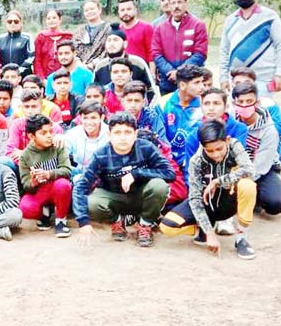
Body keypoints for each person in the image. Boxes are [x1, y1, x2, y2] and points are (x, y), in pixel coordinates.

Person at [73, 112, 175, 248]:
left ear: (135, 134)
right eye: (117, 133)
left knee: (159, 186)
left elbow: (169, 173)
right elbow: (81, 186)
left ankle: (145, 224)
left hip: (141, 197)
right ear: (109, 135)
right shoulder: (100, 155)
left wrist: (136, 173)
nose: (123, 138)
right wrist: (83, 222)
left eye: (127, 132)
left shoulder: (146, 147)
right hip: (114, 198)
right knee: (91, 202)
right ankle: (117, 221)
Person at [160, 120, 258, 259]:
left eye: (219, 149)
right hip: (206, 204)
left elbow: (250, 171)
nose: (216, 154)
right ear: (202, 146)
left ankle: (241, 238)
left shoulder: (235, 145)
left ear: (227, 140)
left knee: (248, 185)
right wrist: (210, 233)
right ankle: (203, 229)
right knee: (167, 227)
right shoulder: (196, 161)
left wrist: (218, 182)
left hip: (228, 202)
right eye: (210, 151)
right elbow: (194, 198)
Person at [220, 0, 281, 96]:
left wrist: (280, 74)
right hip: (236, 80)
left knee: (262, 112)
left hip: (263, 79)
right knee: (238, 113)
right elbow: (224, 50)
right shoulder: (230, 20)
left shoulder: (269, 16)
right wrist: (223, 77)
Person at [232, 82, 281, 216]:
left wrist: (235, 181)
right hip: (233, 167)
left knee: (275, 203)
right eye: (241, 102)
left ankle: (255, 196)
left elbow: (259, 168)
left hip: (262, 169)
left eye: (249, 101)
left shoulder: (269, 131)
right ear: (234, 103)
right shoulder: (231, 120)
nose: (245, 106)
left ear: (257, 103)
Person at [18, 114, 73, 237]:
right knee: (25, 207)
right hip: (40, 190)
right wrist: (34, 182)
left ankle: (61, 220)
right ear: (32, 136)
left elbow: (67, 170)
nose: (49, 135)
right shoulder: (25, 156)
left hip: (57, 188)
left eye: (50, 131)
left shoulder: (57, 145)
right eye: (43, 133)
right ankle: (44, 213)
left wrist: (49, 174)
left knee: (63, 184)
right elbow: (26, 185)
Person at [230, 67, 281, 165]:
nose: (242, 85)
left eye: (247, 82)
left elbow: (279, 128)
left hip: (266, 145)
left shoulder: (268, 104)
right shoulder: (229, 108)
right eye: (237, 83)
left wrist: (253, 130)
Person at [152, 0, 209, 94]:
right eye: (173, 3)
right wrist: (170, 71)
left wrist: (180, 72)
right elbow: (156, 54)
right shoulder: (160, 28)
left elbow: (201, 53)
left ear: (186, 4)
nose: (176, 6)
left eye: (179, 2)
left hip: (192, 81)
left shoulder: (198, 25)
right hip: (168, 81)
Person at [92, 24, 158, 103]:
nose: (111, 44)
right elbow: (94, 92)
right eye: (109, 40)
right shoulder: (101, 66)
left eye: (116, 40)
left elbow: (151, 91)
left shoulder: (137, 63)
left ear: (125, 44)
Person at [161, 65, 205, 170]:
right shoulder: (163, 103)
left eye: (202, 82)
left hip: (196, 161)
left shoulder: (205, 106)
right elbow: (159, 137)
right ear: (182, 85)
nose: (202, 86)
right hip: (168, 161)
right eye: (197, 83)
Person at [64, 100, 108, 178]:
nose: (89, 122)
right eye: (85, 118)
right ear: (80, 118)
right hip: (80, 171)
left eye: (93, 118)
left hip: (104, 173)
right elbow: (62, 152)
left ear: (102, 118)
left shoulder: (109, 133)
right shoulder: (74, 133)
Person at [117, 0, 155, 71]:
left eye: (129, 9)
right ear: (118, 13)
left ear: (135, 10)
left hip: (142, 70)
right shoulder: (117, 30)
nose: (125, 12)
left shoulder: (147, 27)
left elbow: (151, 53)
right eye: (122, 10)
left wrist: (152, 74)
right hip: (122, 72)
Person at [33, 9, 72, 79]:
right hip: (46, 77)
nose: (51, 20)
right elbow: (37, 60)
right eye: (49, 18)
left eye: (54, 18)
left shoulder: (68, 36)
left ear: (60, 19)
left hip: (66, 76)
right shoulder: (41, 37)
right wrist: (42, 79)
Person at [0, 10, 34, 76]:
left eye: (16, 21)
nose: (12, 24)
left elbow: (31, 56)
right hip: (5, 76)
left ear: (21, 23)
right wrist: (2, 71)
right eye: (9, 22)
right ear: (6, 23)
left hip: (23, 75)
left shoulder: (27, 37)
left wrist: (18, 70)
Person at [73, 1, 110, 69]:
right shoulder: (79, 31)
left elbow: (109, 49)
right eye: (86, 10)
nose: (89, 12)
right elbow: (74, 49)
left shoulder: (108, 28)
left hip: (102, 66)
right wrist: (79, 63)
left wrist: (93, 63)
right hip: (81, 68)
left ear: (99, 10)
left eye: (92, 9)